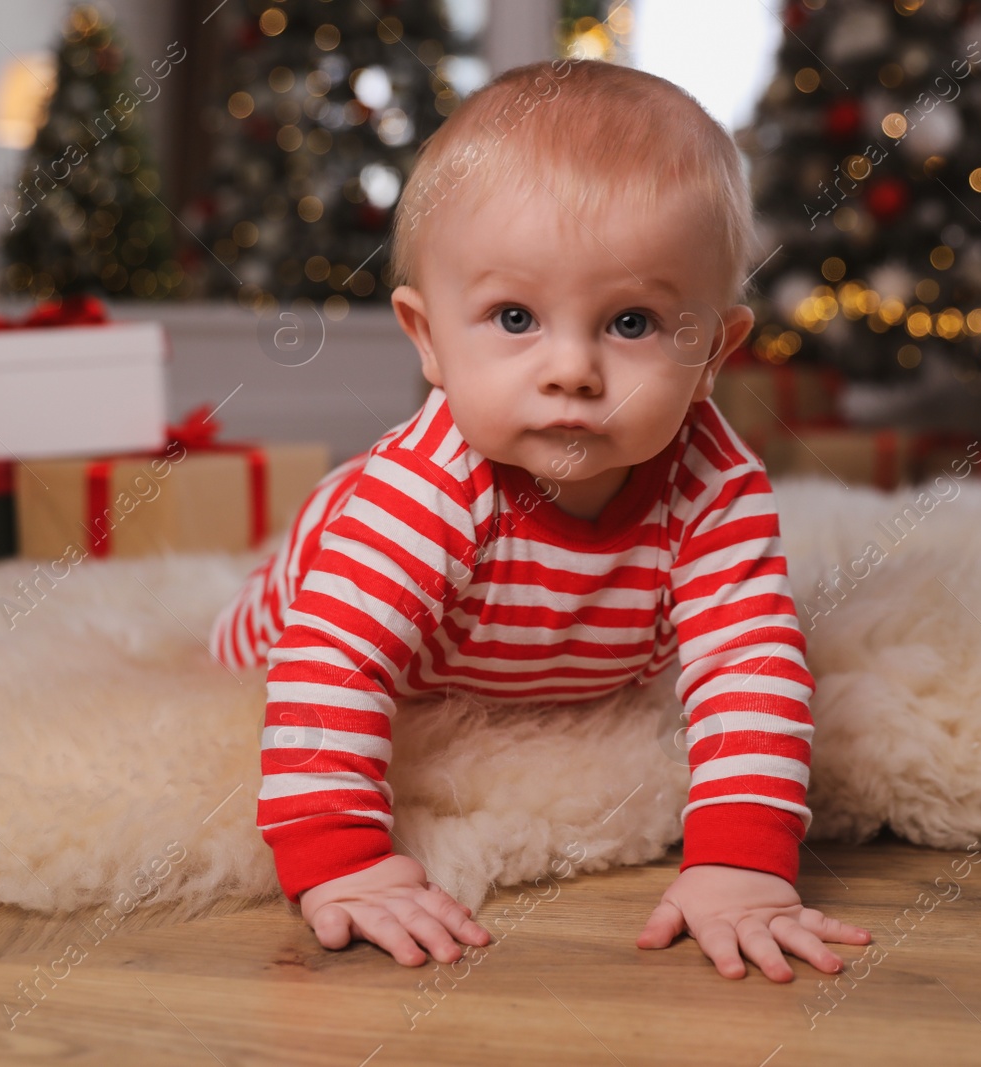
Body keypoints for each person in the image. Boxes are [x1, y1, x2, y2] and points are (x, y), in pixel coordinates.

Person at [211, 58, 871, 982]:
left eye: (632, 322)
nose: (572, 369)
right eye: (514, 315)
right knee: (248, 658)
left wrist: (741, 864)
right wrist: (344, 862)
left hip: (562, 642)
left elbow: (747, 660)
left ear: (715, 351)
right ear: (429, 336)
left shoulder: (714, 481)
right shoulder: (421, 493)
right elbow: (332, 665)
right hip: (313, 596)